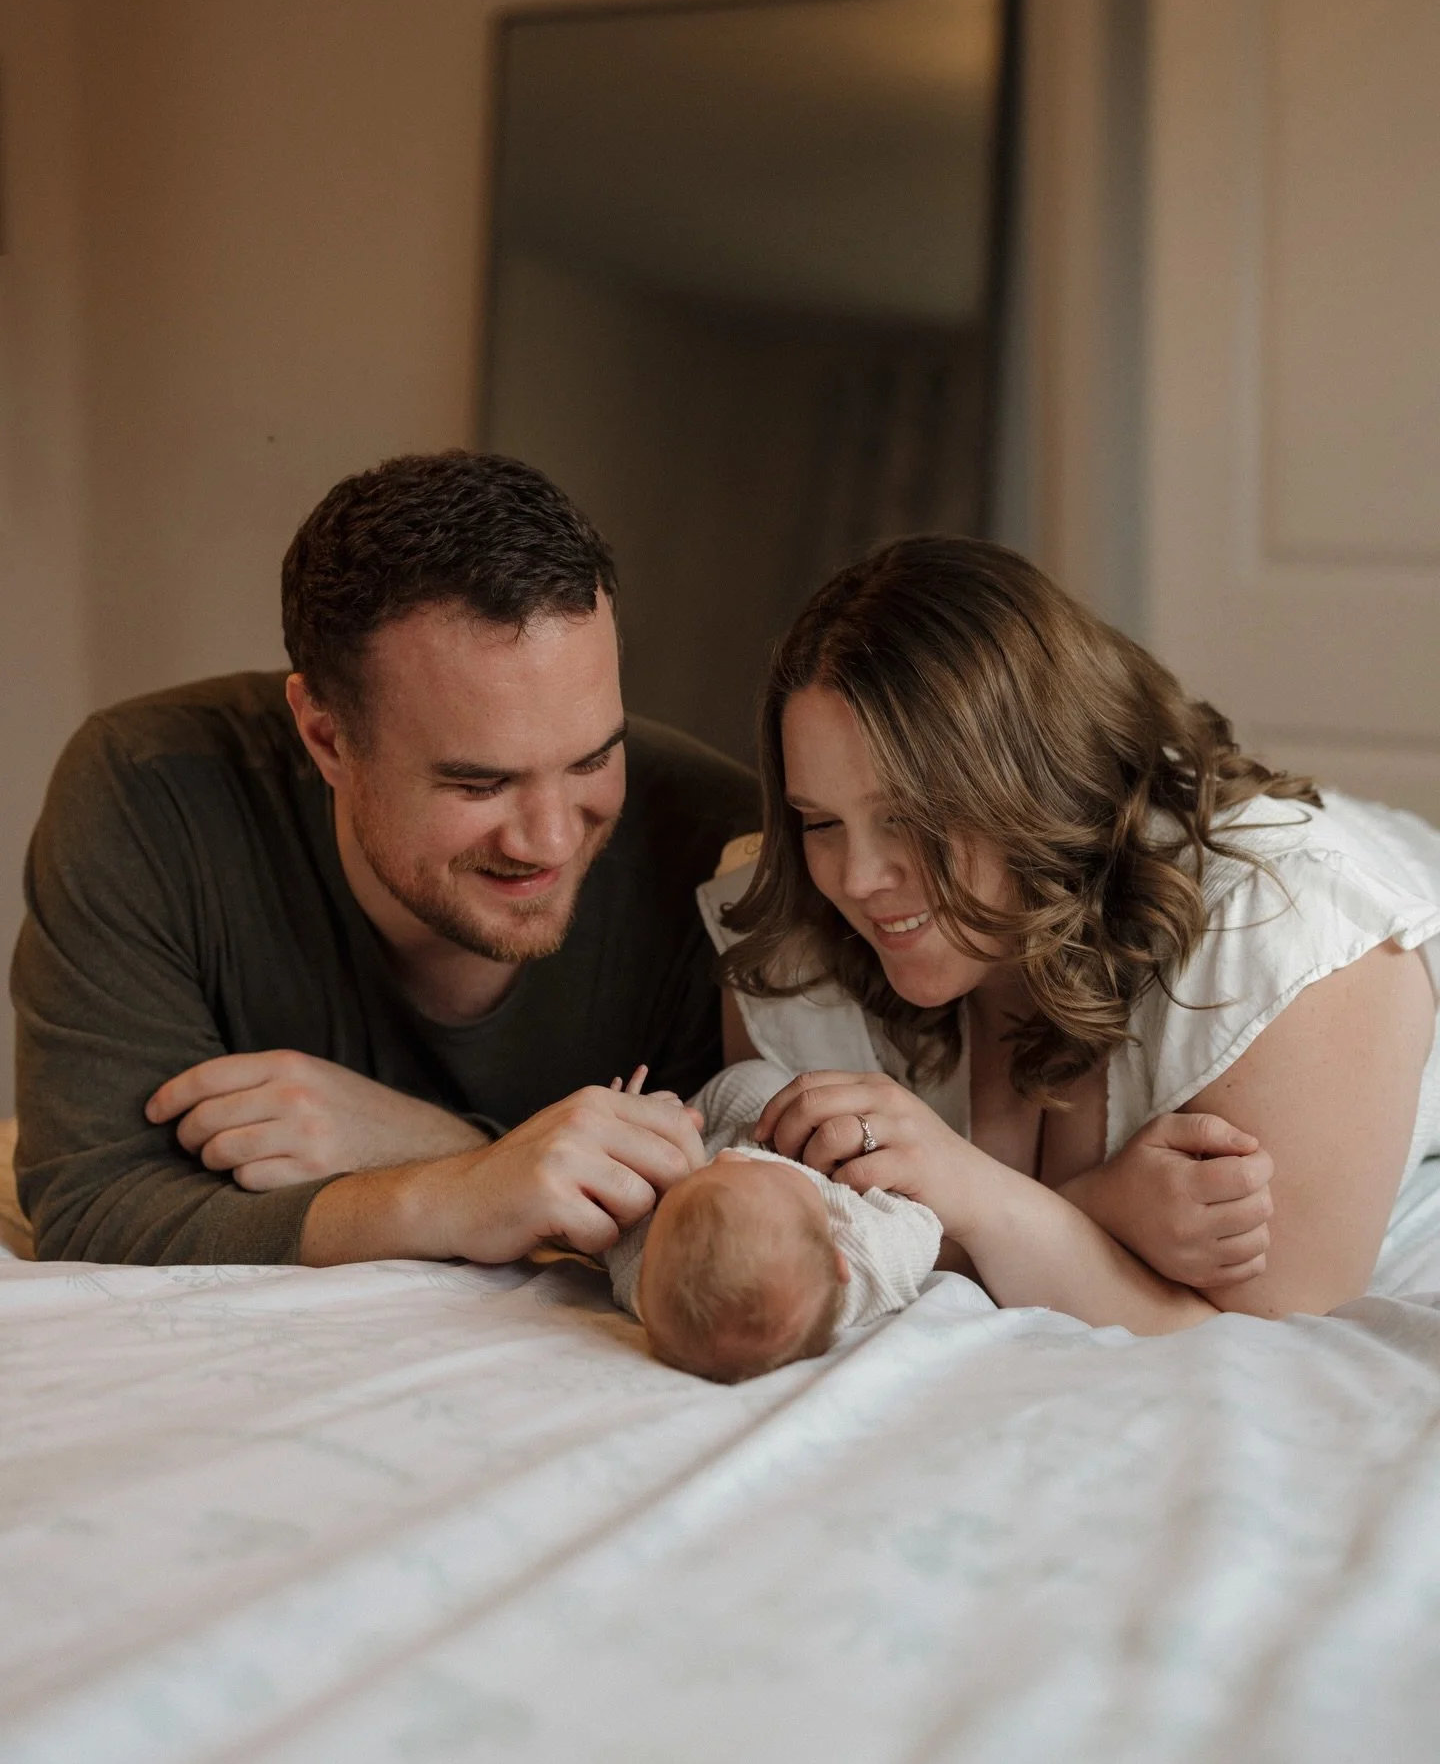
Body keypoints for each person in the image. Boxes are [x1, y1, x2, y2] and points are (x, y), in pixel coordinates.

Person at [11, 452, 757, 1264]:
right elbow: (93, 1204)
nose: (549, 838)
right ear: (327, 737)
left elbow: (760, 1218)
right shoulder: (147, 790)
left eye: (591, 761)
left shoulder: (726, 848)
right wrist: (454, 1192)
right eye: (480, 782)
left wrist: (425, 1144)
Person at [704, 536, 1440, 1323]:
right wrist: (1086, 1206)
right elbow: (791, 1251)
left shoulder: (1291, 938)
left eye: (907, 819)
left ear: (1032, 786)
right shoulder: (796, 941)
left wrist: (981, 1198)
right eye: (820, 821)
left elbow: (1267, 1350)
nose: (856, 877)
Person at [605, 1058, 944, 1382]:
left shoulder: (647, 1289)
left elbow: (620, 1234)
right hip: (790, 1139)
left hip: (690, 1164)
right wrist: (868, 1182)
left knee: (729, 1095)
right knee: (759, 1080)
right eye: (760, 1173)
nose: (729, 1158)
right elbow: (923, 1224)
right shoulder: (870, 1260)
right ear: (838, 1260)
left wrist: (639, 1127)